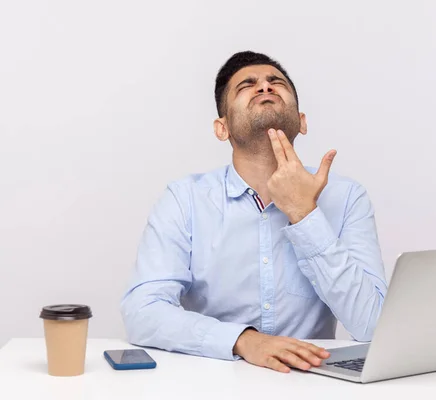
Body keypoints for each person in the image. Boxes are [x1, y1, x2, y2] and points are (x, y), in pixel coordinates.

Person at [120, 51, 388, 373]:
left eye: (276, 82)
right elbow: (142, 311)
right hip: (212, 378)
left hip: (311, 382)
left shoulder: (346, 197)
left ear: (301, 122)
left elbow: (373, 326)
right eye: (247, 85)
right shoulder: (185, 198)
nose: (265, 87)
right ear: (223, 128)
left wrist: (304, 214)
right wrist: (243, 340)